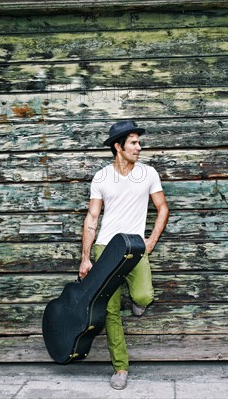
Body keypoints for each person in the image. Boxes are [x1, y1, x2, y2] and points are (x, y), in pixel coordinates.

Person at [79, 120, 169, 390]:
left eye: (138, 142)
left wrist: (151, 240)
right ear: (118, 147)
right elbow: (92, 217)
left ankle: (138, 301)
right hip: (106, 248)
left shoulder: (149, 173)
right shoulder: (102, 178)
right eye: (133, 142)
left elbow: (162, 208)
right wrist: (85, 257)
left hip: (134, 247)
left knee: (143, 295)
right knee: (110, 311)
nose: (138, 147)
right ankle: (120, 367)